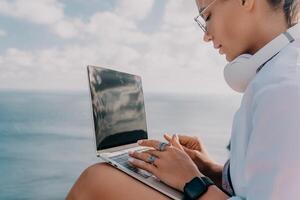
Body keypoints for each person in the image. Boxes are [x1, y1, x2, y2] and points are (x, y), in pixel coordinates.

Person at [66, 0, 300, 199]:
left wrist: (193, 183)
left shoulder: (284, 88)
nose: (206, 36)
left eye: (207, 15)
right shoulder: (277, 73)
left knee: (96, 180)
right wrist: (210, 169)